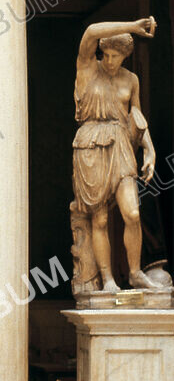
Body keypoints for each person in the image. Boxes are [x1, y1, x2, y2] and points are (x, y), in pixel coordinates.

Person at [71, 17, 156, 293]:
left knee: (131, 213)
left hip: (120, 143)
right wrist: (132, 26)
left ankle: (134, 272)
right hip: (90, 145)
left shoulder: (131, 80)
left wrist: (150, 149)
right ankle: (107, 280)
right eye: (105, 55)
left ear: (124, 57)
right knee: (101, 219)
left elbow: (137, 116)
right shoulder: (87, 68)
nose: (109, 61)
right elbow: (90, 31)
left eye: (115, 57)